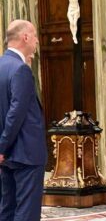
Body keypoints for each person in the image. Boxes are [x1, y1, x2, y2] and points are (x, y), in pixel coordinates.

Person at [0, 20, 47, 221]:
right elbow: (16, 113)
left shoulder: (2, 65)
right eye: (35, 35)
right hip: (25, 153)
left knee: (7, 209)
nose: (37, 40)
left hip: (8, 155)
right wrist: (2, 147)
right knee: (26, 212)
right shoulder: (21, 69)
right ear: (25, 37)